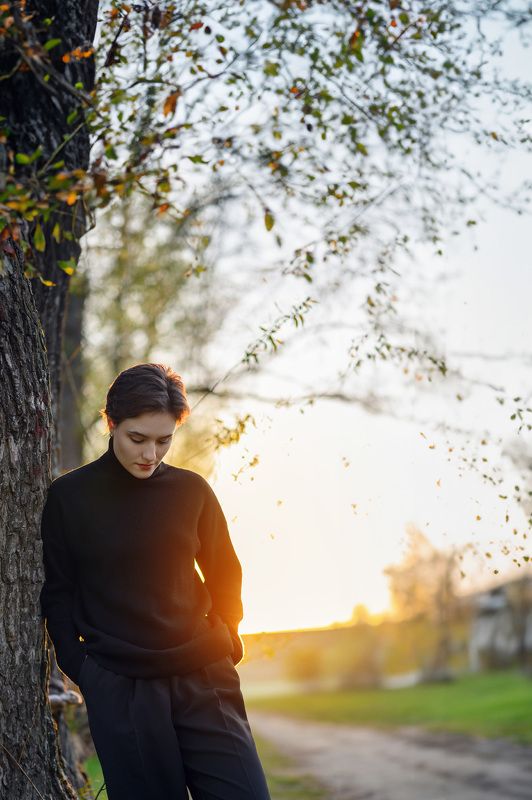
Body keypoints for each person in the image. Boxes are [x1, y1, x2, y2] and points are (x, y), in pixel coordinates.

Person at [39, 363, 272, 800]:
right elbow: (58, 594)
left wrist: (228, 638)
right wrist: (85, 670)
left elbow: (225, 570)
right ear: (111, 423)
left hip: (204, 676)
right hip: (121, 687)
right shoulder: (69, 498)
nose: (150, 454)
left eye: (164, 441)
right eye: (138, 439)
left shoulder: (192, 491)